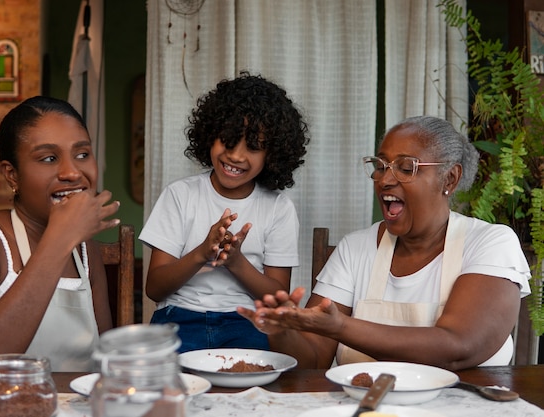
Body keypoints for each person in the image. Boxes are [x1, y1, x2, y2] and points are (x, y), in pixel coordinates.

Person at [239, 115, 532, 371]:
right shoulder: (356, 249)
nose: (384, 179)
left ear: (450, 179)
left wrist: (341, 326)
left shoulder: (490, 243)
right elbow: (312, 361)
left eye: (406, 168)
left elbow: (458, 347)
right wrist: (282, 331)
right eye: (380, 166)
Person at [0, 96, 121, 382]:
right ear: (12, 175)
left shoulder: (85, 251)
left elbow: (106, 365)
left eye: (82, 154)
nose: (72, 172)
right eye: (48, 158)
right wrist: (60, 238)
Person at [139, 72, 310, 353]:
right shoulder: (180, 195)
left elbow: (277, 299)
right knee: (165, 386)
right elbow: (155, 289)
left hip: (247, 321)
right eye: (229, 141)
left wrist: (236, 262)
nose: (236, 156)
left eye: (253, 147)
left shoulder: (279, 208)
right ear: (210, 135)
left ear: (273, 155)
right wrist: (202, 253)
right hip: (178, 318)